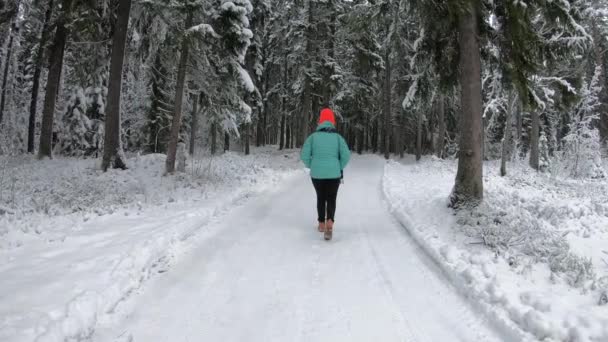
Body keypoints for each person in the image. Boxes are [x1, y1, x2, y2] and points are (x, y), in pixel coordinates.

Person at [300, 108, 351, 241]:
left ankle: (321, 224)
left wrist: (312, 165)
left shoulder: (312, 137)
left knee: (320, 197)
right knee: (331, 198)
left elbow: (304, 155)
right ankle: (330, 222)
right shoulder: (338, 138)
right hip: (334, 174)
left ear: (320, 121)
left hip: (317, 175)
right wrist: (338, 166)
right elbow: (346, 155)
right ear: (332, 121)